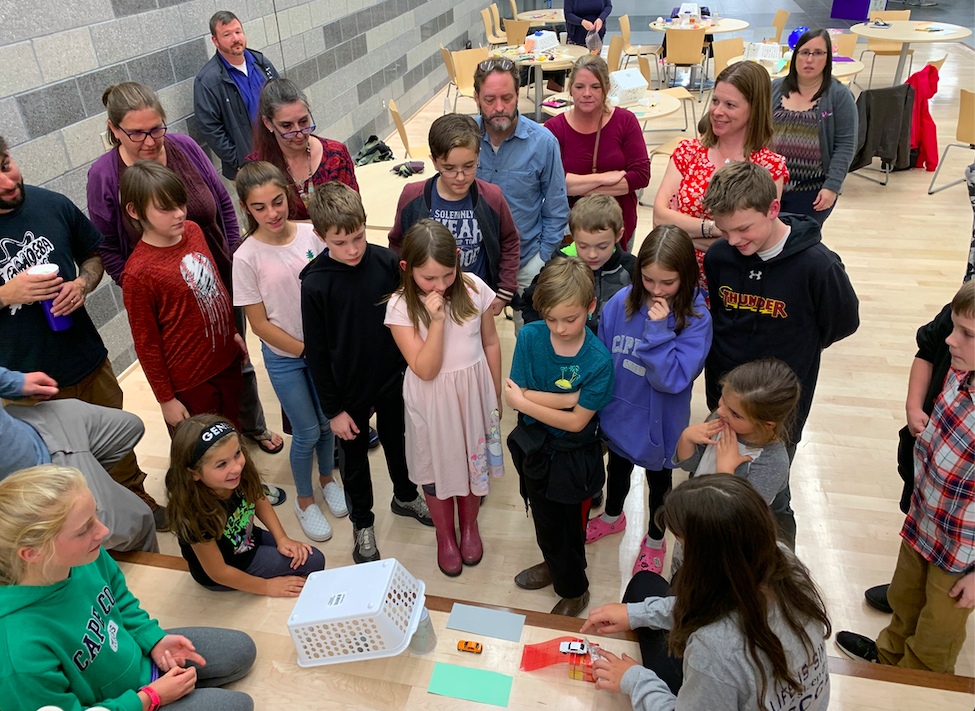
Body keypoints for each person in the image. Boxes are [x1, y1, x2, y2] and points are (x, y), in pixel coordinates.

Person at [87, 81, 284, 459]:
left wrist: (234, 258)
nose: (150, 141)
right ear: (114, 130)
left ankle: (247, 432)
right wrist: (142, 286)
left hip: (217, 282)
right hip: (171, 304)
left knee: (236, 367)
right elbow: (107, 246)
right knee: (198, 421)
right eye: (137, 133)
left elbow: (223, 204)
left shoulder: (186, 153)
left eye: (156, 129)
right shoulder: (105, 176)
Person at [0, 466, 257, 711]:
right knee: (239, 705)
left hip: (137, 663)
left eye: (95, 515)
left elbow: (118, 597)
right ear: (32, 553)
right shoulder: (19, 654)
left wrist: (152, 639)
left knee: (241, 650)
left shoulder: (84, 556)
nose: (103, 531)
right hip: (126, 702)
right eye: (83, 530)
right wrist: (149, 698)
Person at [0, 136, 160, 514]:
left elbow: (93, 255)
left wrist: (82, 284)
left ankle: (137, 502)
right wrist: (5, 294)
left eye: (5, 165)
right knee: (59, 473)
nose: (7, 182)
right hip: (27, 382)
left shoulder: (51, 203)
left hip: (87, 358)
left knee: (117, 444)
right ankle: (83, 526)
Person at [703, 161, 859, 548]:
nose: (733, 240)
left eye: (744, 228)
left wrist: (796, 346)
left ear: (773, 208)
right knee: (719, 483)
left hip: (778, 411)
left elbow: (842, 322)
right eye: (724, 230)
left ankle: (780, 564)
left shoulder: (818, 266)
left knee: (772, 498)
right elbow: (721, 314)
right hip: (725, 400)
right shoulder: (720, 257)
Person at [581, 474, 831, 710]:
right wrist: (637, 613)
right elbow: (709, 603)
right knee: (644, 585)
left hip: (722, 673)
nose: (681, 556)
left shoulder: (715, 649)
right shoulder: (782, 559)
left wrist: (634, 679)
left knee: (644, 586)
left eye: (684, 546)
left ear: (710, 561)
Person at [837, 281, 974, 674]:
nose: (950, 340)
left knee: (937, 631)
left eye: (966, 334)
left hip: (962, 554)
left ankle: (918, 685)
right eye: (954, 327)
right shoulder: (959, 374)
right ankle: (889, 659)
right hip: (924, 521)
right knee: (905, 599)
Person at [301, 181, 432, 565]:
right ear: (320, 237)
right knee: (355, 462)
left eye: (358, 237)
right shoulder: (314, 283)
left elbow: (409, 318)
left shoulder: (388, 263)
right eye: (340, 243)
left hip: (392, 380)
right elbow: (316, 355)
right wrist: (333, 411)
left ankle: (405, 496)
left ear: (365, 223)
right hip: (348, 393)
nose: (353, 249)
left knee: (398, 442)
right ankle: (363, 523)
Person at [232, 161, 348, 543]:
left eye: (277, 201)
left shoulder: (311, 235)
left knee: (328, 421)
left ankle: (328, 479)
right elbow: (259, 324)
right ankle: (304, 499)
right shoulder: (245, 257)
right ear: (247, 208)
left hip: (321, 353)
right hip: (286, 359)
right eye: (260, 207)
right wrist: (307, 351)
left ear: (288, 194)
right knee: (307, 430)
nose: (272, 213)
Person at [591, 225, 712, 576]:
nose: (656, 290)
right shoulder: (620, 303)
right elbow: (604, 359)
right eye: (648, 279)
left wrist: (658, 331)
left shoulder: (696, 319)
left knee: (659, 485)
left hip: (662, 425)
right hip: (619, 415)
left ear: (686, 276)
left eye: (668, 282)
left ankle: (656, 540)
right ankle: (613, 516)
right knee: (617, 471)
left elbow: (672, 380)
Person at [385, 220, 504, 576]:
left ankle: (469, 526)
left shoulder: (475, 288)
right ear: (407, 268)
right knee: (435, 468)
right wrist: (436, 322)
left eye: (447, 275)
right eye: (428, 278)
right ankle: (445, 535)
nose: (440, 285)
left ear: (457, 258)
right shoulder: (400, 306)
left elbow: (490, 342)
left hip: (473, 395)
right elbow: (425, 369)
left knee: (472, 463)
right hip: (432, 402)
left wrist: (494, 394)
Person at [505, 256, 615, 617]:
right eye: (551, 319)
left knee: (570, 527)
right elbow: (516, 393)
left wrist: (527, 401)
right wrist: (568, 400)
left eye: (571, 319)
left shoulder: (598, 360)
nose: (561, 328)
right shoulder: (530, 336)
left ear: (590, 306)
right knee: (544, 519)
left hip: (574, 457)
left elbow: (577, 424)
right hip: (535, 447)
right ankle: (554, 564)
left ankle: (574, 589)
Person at [119, 161, 246, 432]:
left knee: (232, 431)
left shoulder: (194, 230)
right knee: (202, 448)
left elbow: (215, 287)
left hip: (226, 361)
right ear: (134, 211)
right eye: (165, 208)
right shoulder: (138, 274)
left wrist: (233, 332)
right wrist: (166, 399)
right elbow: (146, 344)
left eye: (181, 203)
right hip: (191, 382)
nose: (179, 213)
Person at [652, 61, 788, 292]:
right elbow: (659, 219)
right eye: (715, 101)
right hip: (677, 283)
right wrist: (717, 229)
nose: (716, 111)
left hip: (732, 286)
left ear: (754, 109)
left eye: (730, 105)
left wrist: (682, 232)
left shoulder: (769, 166)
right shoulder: (687, 152)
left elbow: (752, 241)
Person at [0, 366, 156, 552]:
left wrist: (13, 382)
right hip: (35, 475)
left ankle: (97, 492)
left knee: (130, 427)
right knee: (139, 521)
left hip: (28, 423)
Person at [166, 415, 326, 595]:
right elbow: (219, 573)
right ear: (194, 473)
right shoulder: (194, 514)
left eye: (237, 454)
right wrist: (266, 587)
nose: (236, 468)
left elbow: (257, 497)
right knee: (313, 562)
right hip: (230, 567)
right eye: (222, 464)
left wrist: (282, 538)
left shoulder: (236, 476)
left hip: (249, 540)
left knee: (312, 559)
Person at [863, 300, 954, 614]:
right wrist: (914, 406)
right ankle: (908, 590)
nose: (954, 340)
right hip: (928, 450)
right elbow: (927, 349)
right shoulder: (960, 311)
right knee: (917, 514)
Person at [472, 57, 569, 332]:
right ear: (476, 98)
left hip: (527, 261)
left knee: (530, 338)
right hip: (474, 264)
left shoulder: (544, 143)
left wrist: (540, 260)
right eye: (489, 99)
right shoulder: (463, 138)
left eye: (507, 98)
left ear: (518, 94)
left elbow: (557, 209)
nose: (499, 108)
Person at [673, 359, 800, 569]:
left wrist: (725, 470)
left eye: (735, 413)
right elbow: (691, 465)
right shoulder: (721, 419)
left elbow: (743, 517)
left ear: (767, 423)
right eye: (723, 399)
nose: (721, 411)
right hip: (697, 522)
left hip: (725, 546)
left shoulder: (773, 461)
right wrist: (686, 438)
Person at [388, 113, 519, 316]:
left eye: (469, 166)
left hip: (476, 303)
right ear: (434, 161)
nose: (460, 177)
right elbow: (398, 244)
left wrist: (504, 292)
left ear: (478, 155)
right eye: (449, 168)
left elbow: (509, 241)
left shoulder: (492, 197)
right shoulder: (412, 196)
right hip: (426, 302)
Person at [547, 55, 650, 252]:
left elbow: (640, 176)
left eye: (595, 87)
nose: (587, 93)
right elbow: (554, 182)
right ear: (570, 89)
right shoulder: (554, 128)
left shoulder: (626, 121)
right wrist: (605, 178)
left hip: (618, 226)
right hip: (570, 231)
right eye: (580, 87)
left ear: (607, 89)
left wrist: (578, 187)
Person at [770, 29, 857, 226]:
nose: (809, 59)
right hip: (769, 188)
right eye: (804, 52)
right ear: (795, 56)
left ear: (827, 58)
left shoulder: (839, 95)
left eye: (818, 53)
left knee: (800, 239)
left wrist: (832, 186)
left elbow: (846, 145)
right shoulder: (774, 89)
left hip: (812, 191)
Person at [521, 195, 636, 336]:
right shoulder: (557, 264)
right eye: (583, 246)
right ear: (573, 235)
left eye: (602, 246)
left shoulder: (631, 268)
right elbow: (531, 303)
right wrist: (541, 337)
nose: (592, 254)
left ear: (618, 235)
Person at [246, 78, 358, 222]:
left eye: (303, 122)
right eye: (287, 126)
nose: (299, 133)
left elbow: (353, 216)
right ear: (268, 124)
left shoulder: (336, 155)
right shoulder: (256, 167)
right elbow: (262, 226)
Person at [194, 10, 280, 181]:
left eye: (238, 32)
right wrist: (239, 160)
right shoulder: (207, 80)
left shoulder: (261, 63)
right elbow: (210, 128)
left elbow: (282, 99)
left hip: (277, 154)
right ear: (215, 41)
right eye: (227, 34)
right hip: (246, 167)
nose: (235, 39)